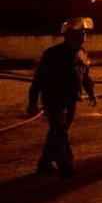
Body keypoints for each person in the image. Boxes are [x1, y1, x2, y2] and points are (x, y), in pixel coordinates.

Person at [27, 17, 97, 179]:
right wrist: (32, 102)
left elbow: (85, 76)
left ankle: (44, 164)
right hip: (54, 100)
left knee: (57, 131)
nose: (85, 34)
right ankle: (66, 167)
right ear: (70, 34)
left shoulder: (82, 52)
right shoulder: (52, 54)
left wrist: (91, 92)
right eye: (81, 32)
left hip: (71, 99)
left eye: (85, 32)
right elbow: (38, 79)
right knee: (60, 132)